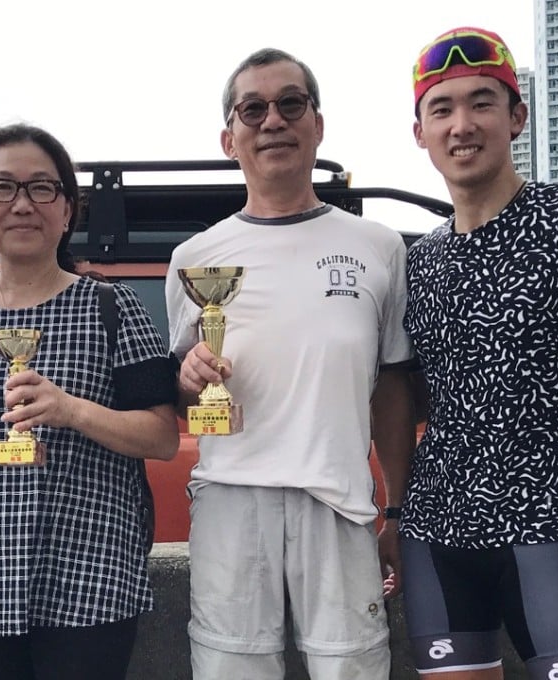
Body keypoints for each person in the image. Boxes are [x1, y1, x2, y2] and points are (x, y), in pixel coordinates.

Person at [401, 26, 558, 679]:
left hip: (557, 524)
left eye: (482, 102)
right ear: (420, 132)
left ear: (517, 116)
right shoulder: (419, 261)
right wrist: (394, 513)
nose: (462, 124)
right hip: (440, 530)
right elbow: (404, 394)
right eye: (443, 108)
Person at [165, 48, 416, 679]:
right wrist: (189, 379)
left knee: (353, 670)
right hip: (229, 500)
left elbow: (389, 390)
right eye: (253, 108)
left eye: (290, 103)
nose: (272, 119)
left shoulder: (378, 247)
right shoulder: (194, 258)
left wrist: (397, 509)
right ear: (230, 137)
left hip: (339, 501)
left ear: (317, 124)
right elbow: (186, 402)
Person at [0, 123, 179, 680]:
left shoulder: (112, 308)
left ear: (68, 209)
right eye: (2, 188)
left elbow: (163, 436)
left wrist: (70, 410)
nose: (22, 204)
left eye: (42, 188)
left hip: (90, 574)